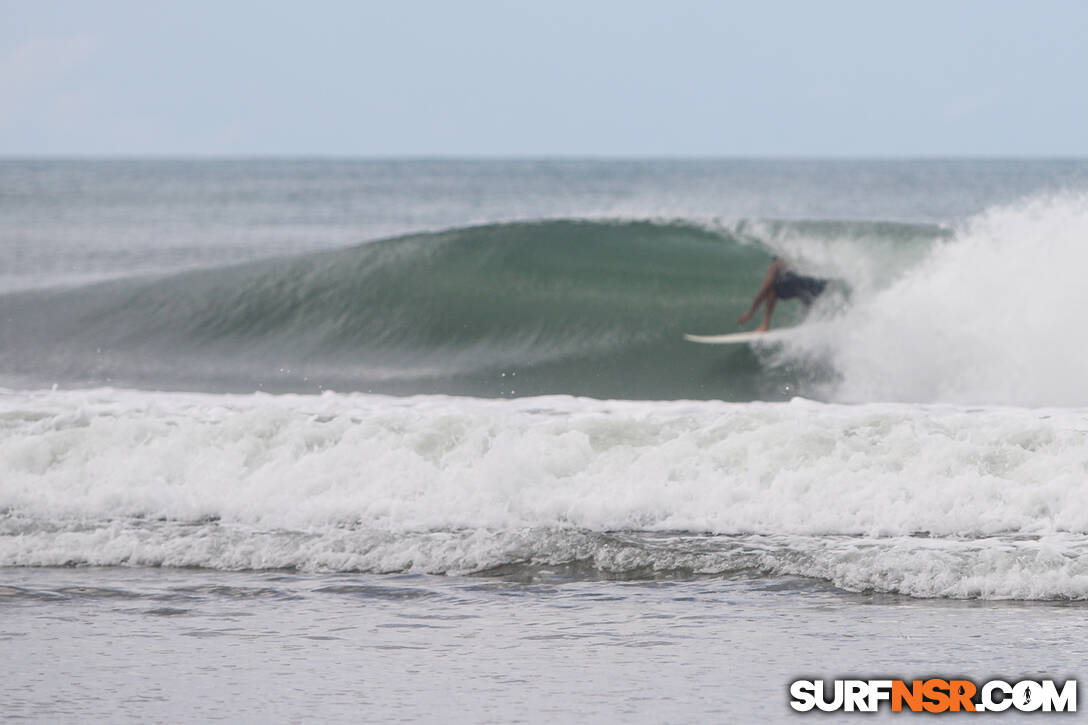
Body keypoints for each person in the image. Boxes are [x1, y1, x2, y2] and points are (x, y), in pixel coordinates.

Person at [738, 257, 827, 332]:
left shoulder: (776, 264)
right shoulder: (799, 261)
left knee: (772, 288)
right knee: (802, 291)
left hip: (807, 285)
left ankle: (765, 324)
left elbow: (763, 291)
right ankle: (820, 321)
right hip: (820, 284)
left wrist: (750, 313)